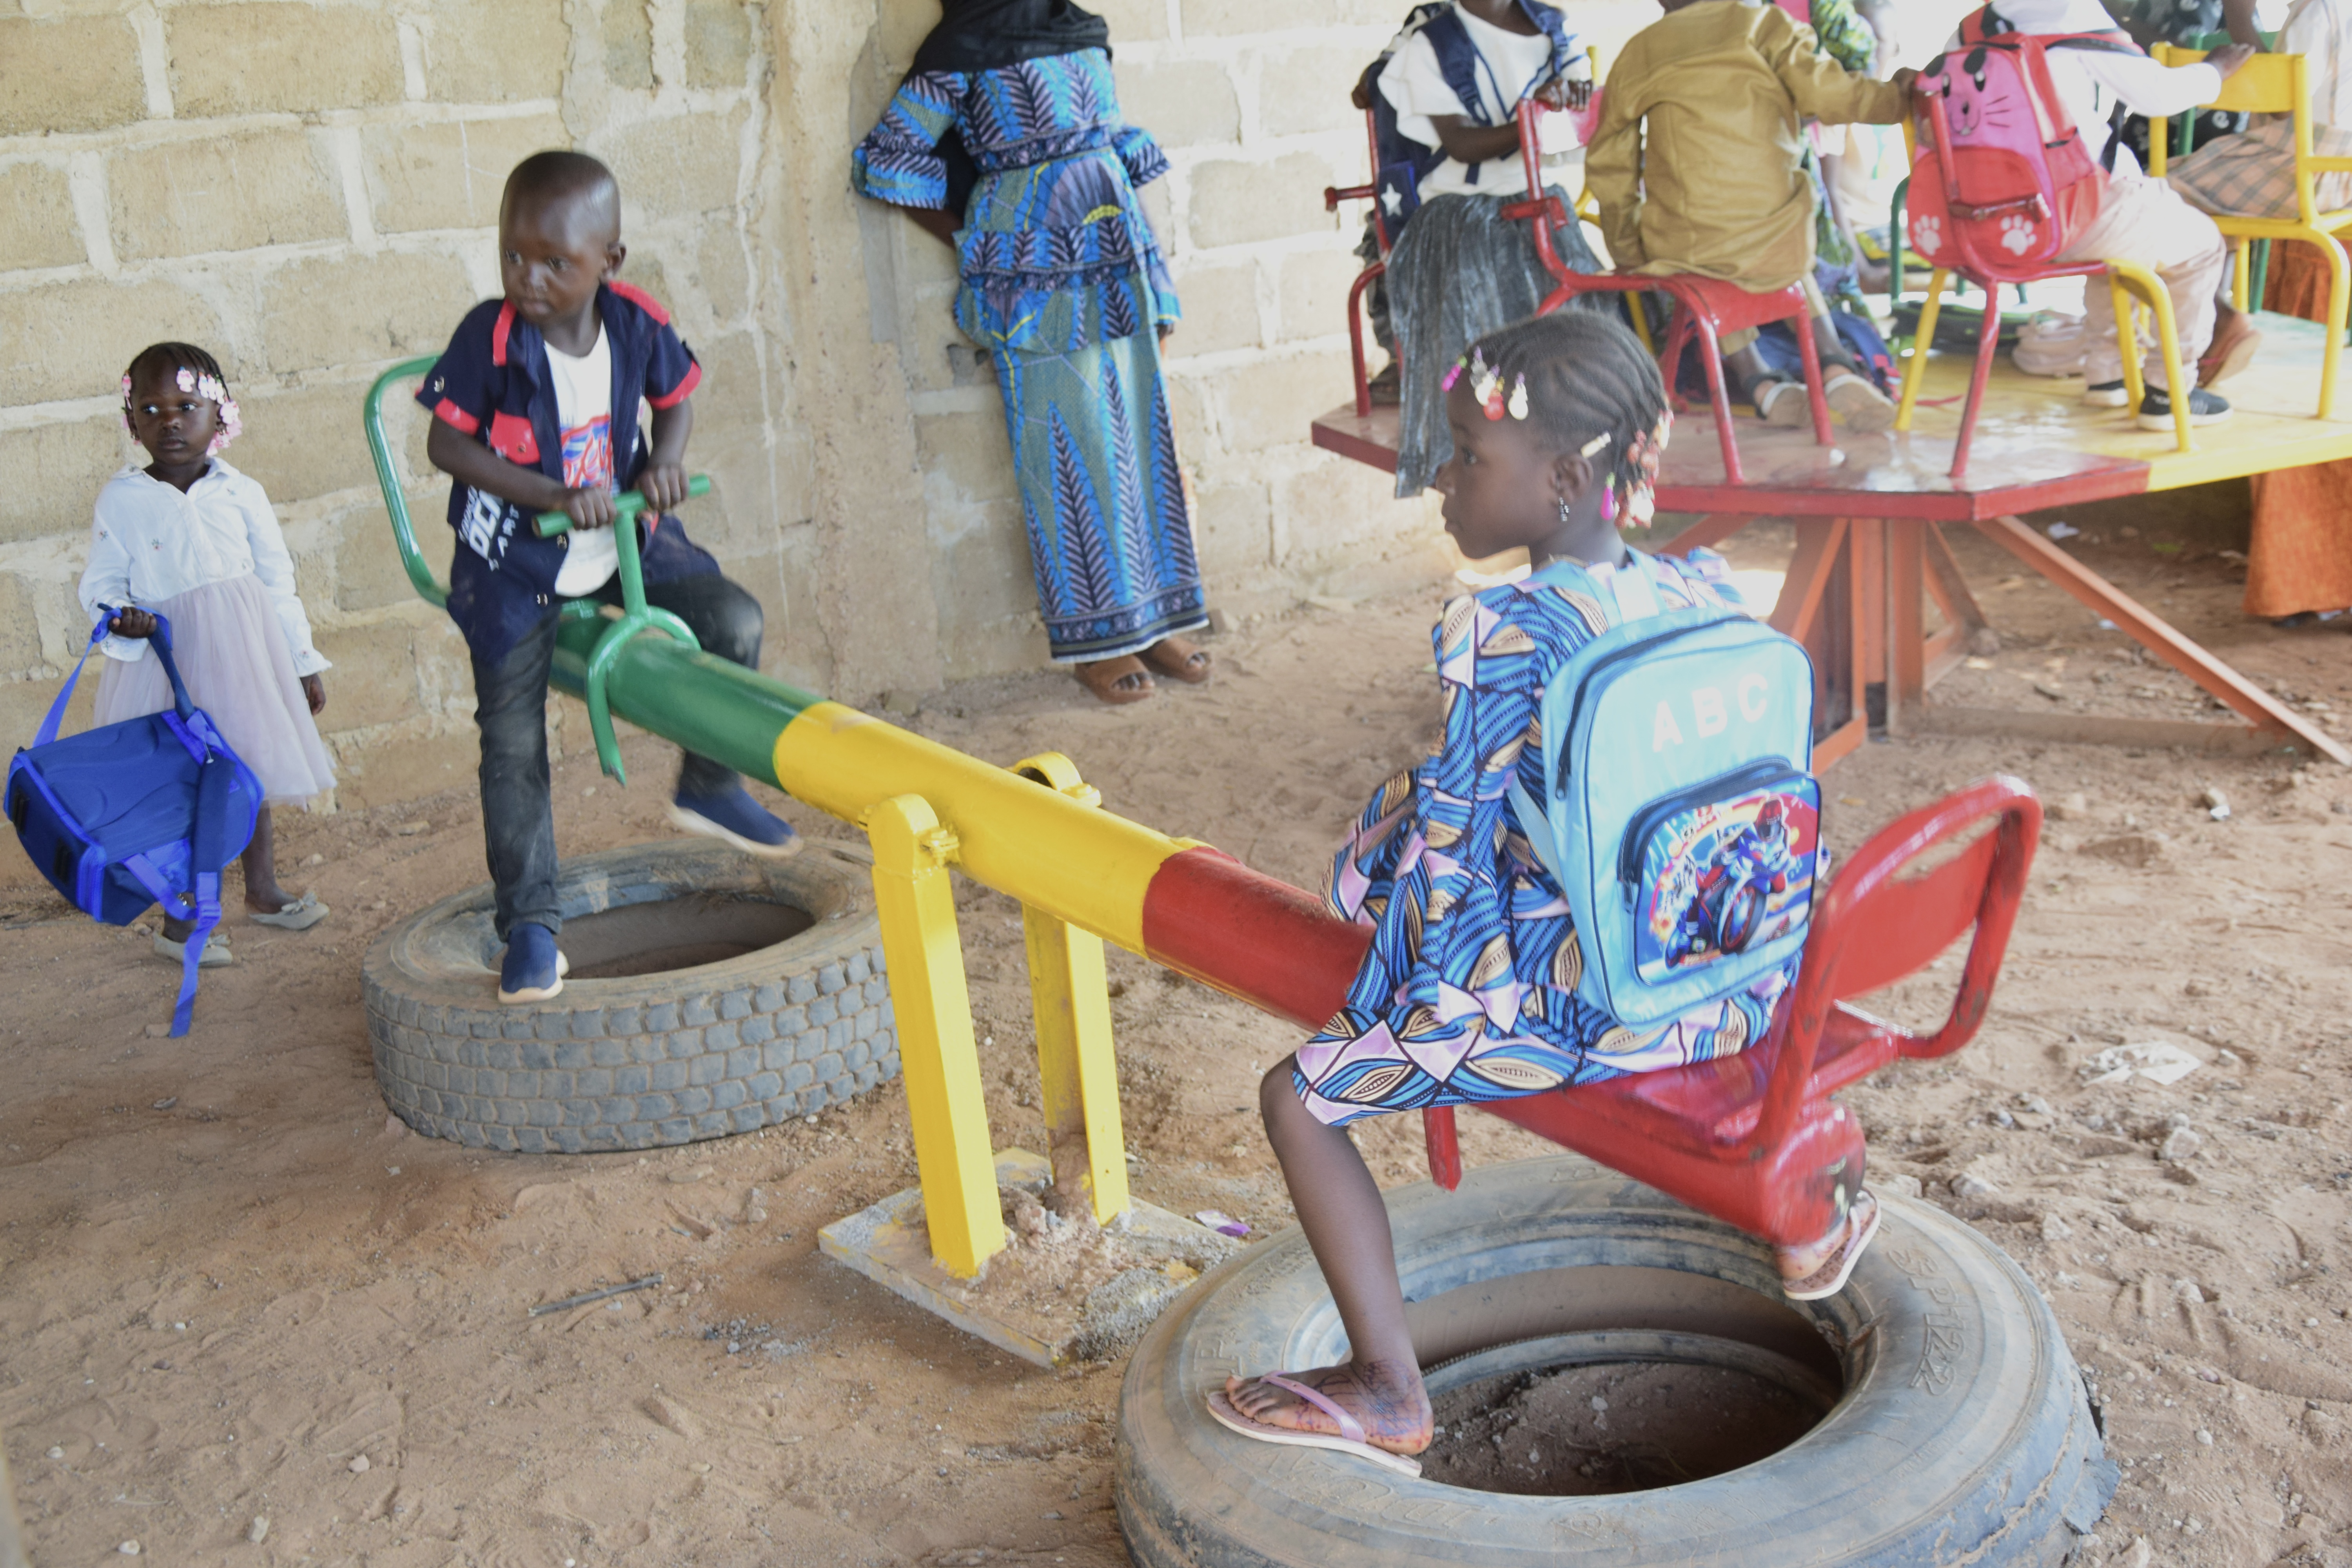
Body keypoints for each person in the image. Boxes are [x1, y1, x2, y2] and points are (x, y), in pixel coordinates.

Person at [1211, 312, 1880, 1470]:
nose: (1438, 476)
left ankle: (1384, 1388)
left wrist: (1398, 1001)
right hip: (1735, 985)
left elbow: (1456, 870)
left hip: (1602, 1014)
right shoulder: (1704, 589)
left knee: (1296, 1100)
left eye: (1469, 454)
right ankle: (1816, 1226)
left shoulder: (1503, 629)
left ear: (1565, 478)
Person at [419, 150, 799, 1006]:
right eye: (514, 255)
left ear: (609, 262)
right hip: (515, 556)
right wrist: (552, 494)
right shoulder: (491, 336)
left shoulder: (632, 321)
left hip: (625, 539)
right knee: (512, 740)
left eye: (556, 261)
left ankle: (709, 785)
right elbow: (449, 445)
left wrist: (664, 464)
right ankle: (532, 926)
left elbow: (677, 399)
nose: (529, 277)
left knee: (731, 618)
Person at [852, 0, 1211, 706]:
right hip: (1035, 283)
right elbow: (889, 158)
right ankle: (1099, 642)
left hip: (1119, 260)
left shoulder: (1082, 30)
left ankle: (1154, 622)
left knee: (1144, 439)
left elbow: (1109, 140)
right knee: (1069, 454)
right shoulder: (962, 46)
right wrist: (981, 243)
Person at [79, 343, 338, 971]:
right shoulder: (123, 500)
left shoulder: (241, 492)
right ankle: (181, 918)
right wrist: (123, 616)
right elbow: (101, 583)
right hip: (168, 666)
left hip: (246, 658)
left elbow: (277, 581)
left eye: (187, 406)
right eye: (151, 408)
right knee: (184, 786)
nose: (170, 421)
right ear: (131, 421)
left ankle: (264, 891)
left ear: (219, 414)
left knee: (249, 772)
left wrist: (301, 658)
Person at [1589, 0, 1915, 432]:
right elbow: (1829, 93)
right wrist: (1895, 99)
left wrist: (1626, 246)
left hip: (1688, 242)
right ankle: (1835, 362)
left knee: (1702, 262)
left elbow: (1612, 163)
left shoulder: (1639, 53)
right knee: (1791, 258)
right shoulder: (1764, 25)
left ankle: (1759, 380)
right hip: (1778, 229)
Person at [1942, 0, 2256, 428]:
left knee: (2119, 233)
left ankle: (2108, 377)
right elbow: (2160, 96)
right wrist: (2214, 70)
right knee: (2201, 245)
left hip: (1980, 225)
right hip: (2068, 216)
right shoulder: (2070, 13)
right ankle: (2170, 392)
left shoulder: (1968, 30)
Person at [1376, 0, 1605, 494]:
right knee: (1487, 307)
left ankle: (1581, 439)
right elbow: (1461, 144)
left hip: (1535, 199)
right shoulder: (1432, 45)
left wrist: (1568, 98)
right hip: (1460, 214)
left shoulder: (1553, 29)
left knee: (1588, 303)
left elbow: (1579, 110)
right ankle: (1487, 458)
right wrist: (1533, 114)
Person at [2168, 0, 2352, 383]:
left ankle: (2220, 319)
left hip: (2298, 173)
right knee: (2211, 201)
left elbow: (2284, 105)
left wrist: (2239, 16)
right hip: (2340, 176)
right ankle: (2213, 324)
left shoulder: (2318, 11)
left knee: (2159, 195)